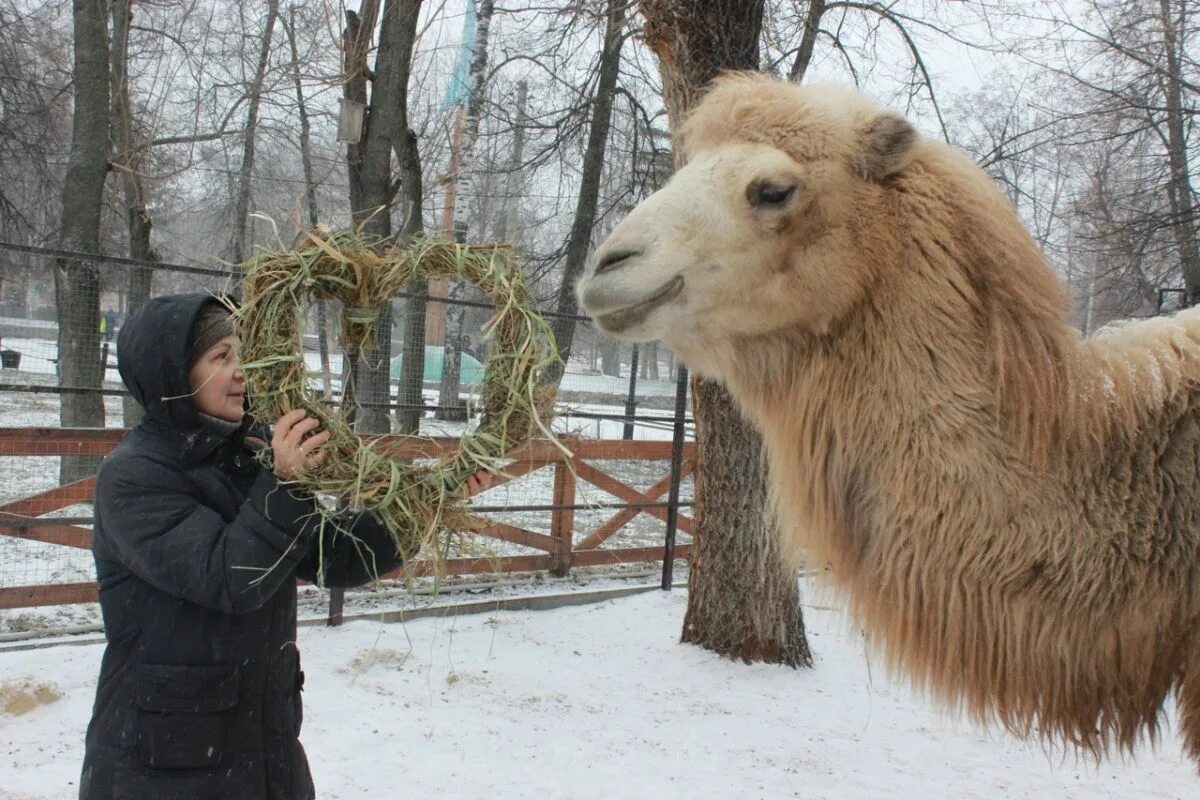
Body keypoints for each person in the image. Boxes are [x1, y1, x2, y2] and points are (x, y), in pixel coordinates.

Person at [79, 293, 489, 799]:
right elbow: (231, 578)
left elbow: (333, 557)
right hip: (165, 760)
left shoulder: (245, 455)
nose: (240, 372)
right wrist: (287, 482)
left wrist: (429, 502)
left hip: (262, 748)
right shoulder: (135, 477)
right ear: (173, 376)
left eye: (240, 354)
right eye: (220, 358)